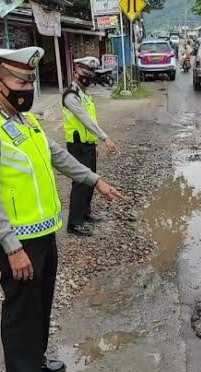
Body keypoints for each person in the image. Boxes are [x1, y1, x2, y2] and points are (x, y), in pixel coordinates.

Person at [0, 45, 126, 372]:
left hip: (43, 234)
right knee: (21, 311)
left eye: (29, 81)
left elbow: (59, 158)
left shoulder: (27, 122)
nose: (26, 88)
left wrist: (95, 181)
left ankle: (34, 359)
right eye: (19, 80)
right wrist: (11, 246)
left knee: (40, 304)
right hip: (17, 241)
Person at [63, 57, 119, 237]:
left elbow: (91, 120)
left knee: (90, 181)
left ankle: (85, 214)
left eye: (90, 74)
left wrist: (94, 144)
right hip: (77, 146)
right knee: (80, 183)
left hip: (87, 145)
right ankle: (74, 223)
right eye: (84, 73)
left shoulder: (85, 95)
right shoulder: (71, 96)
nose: (88, 77)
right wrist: (105, 138)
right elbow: (85, 121)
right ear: (75, 72)